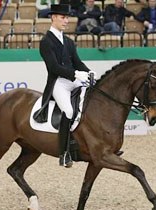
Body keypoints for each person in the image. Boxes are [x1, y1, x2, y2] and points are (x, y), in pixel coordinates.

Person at [33, 4, 96, 168]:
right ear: (53, 17)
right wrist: (75, 74)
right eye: (63, 17)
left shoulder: (68, 41)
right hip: (58, 82)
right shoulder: (46, 42)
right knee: (68, 111)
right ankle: (64, 153)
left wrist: (89, 73)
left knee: (91, 100)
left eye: (67, 17)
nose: (66, 21)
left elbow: (77, 62)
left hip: (72, 80)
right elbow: (54, 67)